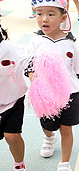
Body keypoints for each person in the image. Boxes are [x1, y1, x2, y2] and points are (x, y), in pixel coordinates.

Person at [25, 0, 79, 171]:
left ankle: (65, 161)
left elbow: (78, 64)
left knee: (66, 128)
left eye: (50, 14)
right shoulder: (35, 41)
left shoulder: (70, 42)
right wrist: (33, 78)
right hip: (45, 94)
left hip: (70, 93)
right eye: (39, 14)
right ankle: (48, 137)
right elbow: (28, 63)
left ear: (63, 16)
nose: (44, 19)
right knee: (48, 125)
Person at [0, 25, 28, 171]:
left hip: (12, 100)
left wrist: (34, 75)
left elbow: (26, 60)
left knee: (12, 137)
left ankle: (19, 165)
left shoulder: (9, 48)